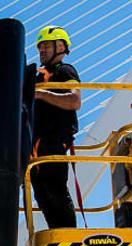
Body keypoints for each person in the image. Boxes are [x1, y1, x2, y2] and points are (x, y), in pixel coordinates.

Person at [30, 26, 82, 229]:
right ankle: (57, 233)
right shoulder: (38, 76)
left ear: (60, 47)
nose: (41, 50)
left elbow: (75, 100)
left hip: (53, 142)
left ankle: (68, 236)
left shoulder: (65, 71)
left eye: (46, 46)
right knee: (42, 193)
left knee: (55, 190)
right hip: (36, 147)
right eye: (40, 47)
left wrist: (42, 94)